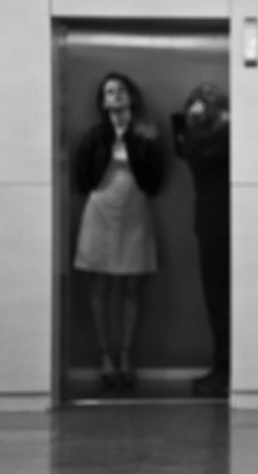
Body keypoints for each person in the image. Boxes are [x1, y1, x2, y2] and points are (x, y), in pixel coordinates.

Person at [74, 71, 164, 390]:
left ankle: (125, 355)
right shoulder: (94, 135)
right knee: (99, 285)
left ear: (131, 96)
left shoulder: (144, 133)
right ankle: (105, 356)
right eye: (109, 91)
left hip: (135, 212)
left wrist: (144, 140)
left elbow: (156, 178)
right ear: (102, 101)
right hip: (100, 210)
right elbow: (81, 177)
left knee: (131, 286)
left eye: (121, 89)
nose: (116, 95)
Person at [171, 83, 230, 397]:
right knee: (216, 301)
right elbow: (185, 151)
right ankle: (223, 366)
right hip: (210, 225)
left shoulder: (226, 136)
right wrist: (185, 123)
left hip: (223, 225)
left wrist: (191, 124)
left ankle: (227, 369)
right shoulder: (201, 137)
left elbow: (202, 156)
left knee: (223, 300)